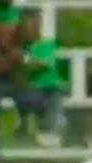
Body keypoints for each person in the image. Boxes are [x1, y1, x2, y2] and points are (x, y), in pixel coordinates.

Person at [20, 14, 65, 147]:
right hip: (33, 87)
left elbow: (43, 64)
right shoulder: (25, 48)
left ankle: (49, 133)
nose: (28, 30)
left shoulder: (46, 44)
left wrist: (26, 61)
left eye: (31, 26)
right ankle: (26, 133)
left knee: (53, 102)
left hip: (51, 86)